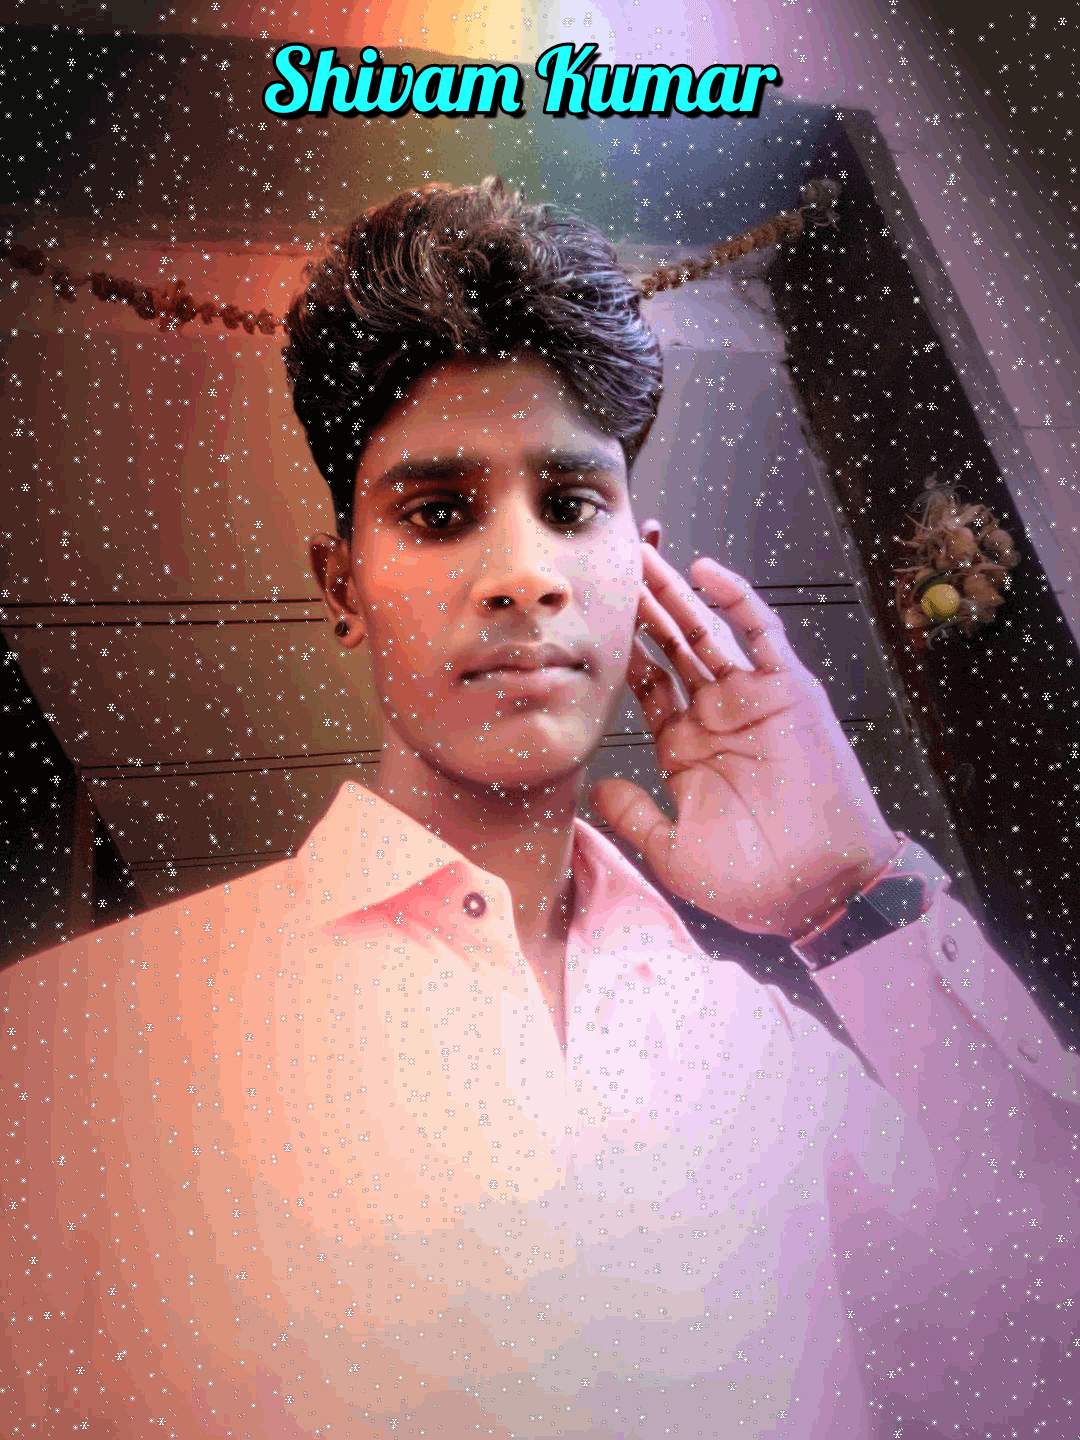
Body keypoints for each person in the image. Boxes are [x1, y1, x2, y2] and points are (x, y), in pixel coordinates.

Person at [3, 177, 1078, 1440]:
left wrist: (857, 900)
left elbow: (1049, 1356)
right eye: (439, 513)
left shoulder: (776, 1068)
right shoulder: (68, 1056)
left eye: (570, 507)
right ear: (343, 587)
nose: (522, 576)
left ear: (640, 563)